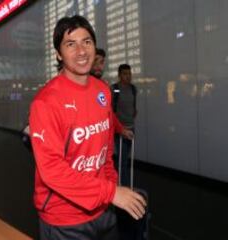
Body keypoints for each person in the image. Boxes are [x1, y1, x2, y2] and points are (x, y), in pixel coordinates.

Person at [29, 15, 146, 240]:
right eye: (70, 44)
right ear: (58, 54)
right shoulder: (45, 102)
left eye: (87, 42)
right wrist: (112, 193)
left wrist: (110, 189)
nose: (81, 51)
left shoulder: (102, 90)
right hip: (64, 221)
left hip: (104, 211)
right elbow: (52, 170)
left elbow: (105, 153)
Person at [91, 48, 134, 141]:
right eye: (95, 61)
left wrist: (122, 130)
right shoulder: (114, 88)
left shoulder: (103, 87)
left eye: (101, 62)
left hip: (105, 144)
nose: (98, 66)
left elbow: (108, 113)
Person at [112, 64, 137, 187]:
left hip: (131, 127)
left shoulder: (133, 89)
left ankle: (124, 183)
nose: (128, 76)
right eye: (125, 74)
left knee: (126, 158)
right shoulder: (115, 89)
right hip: (120, 129)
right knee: (121, 160)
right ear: (119, 75)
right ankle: (123, 186)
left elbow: (133, 106)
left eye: (129, 73)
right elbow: (110, 110)